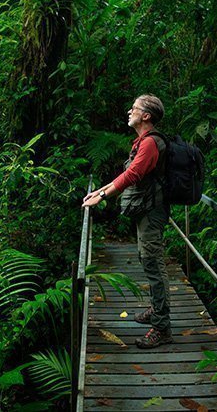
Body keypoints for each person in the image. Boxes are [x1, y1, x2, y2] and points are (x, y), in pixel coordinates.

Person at [82, 94, 172, 349]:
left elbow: (133, 174)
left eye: (134, 108)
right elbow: (128, 174)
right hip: (147, 209)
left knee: (153, 263)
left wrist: (102, 196)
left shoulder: (151, 144)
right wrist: (99, 190)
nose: (129, 111)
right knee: (148, 260)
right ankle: (156, 311)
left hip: (152, 212)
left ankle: (162, 327)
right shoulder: (143, 142)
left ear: (146, 116)